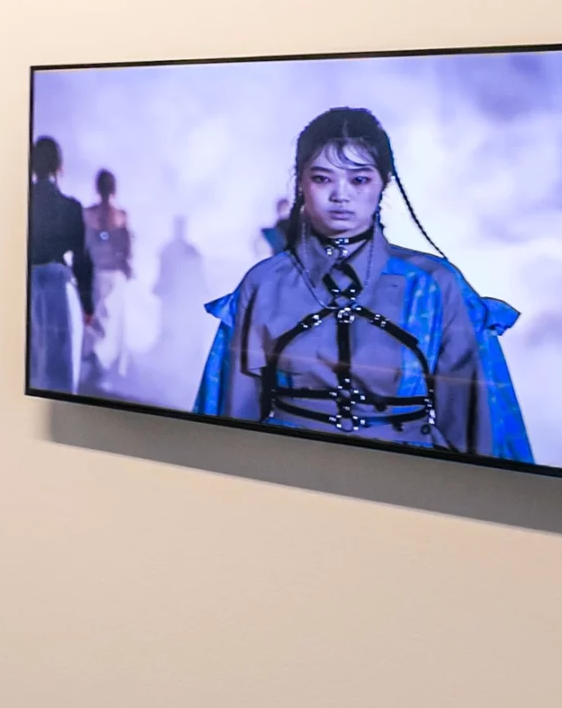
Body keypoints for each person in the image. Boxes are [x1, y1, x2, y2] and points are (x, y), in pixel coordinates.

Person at [195, 106, 532, 460]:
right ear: (300, 182)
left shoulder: (433, 285)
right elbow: (231, 417)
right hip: (285, 470)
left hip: (406, 477)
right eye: (322, 178)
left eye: (359, 180)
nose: (341, 195)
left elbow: (473, 426)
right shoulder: (265, 283)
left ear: (384, 181)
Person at [25, 136, 94, 394]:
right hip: (57, 288)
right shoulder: (70, 208)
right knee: (59, 369)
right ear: (59, 167)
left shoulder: (19, 203)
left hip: (24, 286)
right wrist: (87, 305)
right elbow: (82, 259)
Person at [84, 169, 136, 388]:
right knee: (111, 324)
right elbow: (128, 251)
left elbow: (84, 246)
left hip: (96, 275)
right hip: (112, 277)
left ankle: (95, 361)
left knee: (99, 320)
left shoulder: (88, 214)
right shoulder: (120, 216)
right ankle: (100, 364)